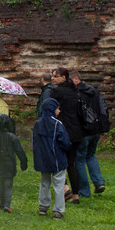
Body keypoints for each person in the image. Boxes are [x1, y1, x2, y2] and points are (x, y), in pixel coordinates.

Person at [71, 70, 110, 197]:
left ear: (76, 79)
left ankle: (84, 191)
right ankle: (99, 182)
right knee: (91, 156)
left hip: (84, 130)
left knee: (80, 159)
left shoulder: (77, 93)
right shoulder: (94, 91)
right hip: (96, 128)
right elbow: (103, 108)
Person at [49, 67, 83, 205]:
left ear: (64, 77)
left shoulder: (56, 92)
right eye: (52, 76)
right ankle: (76, 195)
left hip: (61, 130)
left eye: (56, 76)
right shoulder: (74, 91)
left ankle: (65, 188)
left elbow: (50, 108)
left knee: (58, 160)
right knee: (72, 163)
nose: (53, 78)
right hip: (75, 131)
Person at [32, 97, 70, 219]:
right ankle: (58, 211)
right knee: (59, 184)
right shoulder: (57, 124)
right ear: (52, 109)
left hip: (43, 158)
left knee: (44, 182)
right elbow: (65, 142)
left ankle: (43, 206)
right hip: (57, 158)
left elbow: (35, 142)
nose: (59, 111)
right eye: (58, 108)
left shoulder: (37, 124)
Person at [0, 113, 28, 213]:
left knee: (2, 183)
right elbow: (19, 151)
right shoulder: (12, 137)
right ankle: (7, 206)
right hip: (9, 163)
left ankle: (2, 204)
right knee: (8, 184)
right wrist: (23, 162)